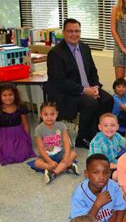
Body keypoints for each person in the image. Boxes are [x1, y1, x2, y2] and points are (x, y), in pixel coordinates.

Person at [46, 18, 114, 149]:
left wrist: (96, 87)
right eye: (70, 31)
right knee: (90, 102)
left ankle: (96, 133)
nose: (74, 34)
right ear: (64, 33)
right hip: (67, 93)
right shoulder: (55, 53)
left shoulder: (84, 47)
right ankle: (82, 138)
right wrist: (84, 90)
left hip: (87, 88)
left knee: (108, 99)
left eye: (77, 31)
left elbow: (93, 70)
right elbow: (60, 82)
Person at [0, 83, 36, 165]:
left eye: (10, 95)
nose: (8, 98)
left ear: (15, 95)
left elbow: (25, 124)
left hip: (19, 134)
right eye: (4, 95)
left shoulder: (20, 106)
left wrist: (27, 138)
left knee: (23, 152)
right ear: (0, 96)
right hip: (5, 136)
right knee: (8, 154)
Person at [33, 101, 79, 184]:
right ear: (41, 115)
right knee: (37, 163)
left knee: (73, 153)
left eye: (52, 114)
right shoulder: (38, 129)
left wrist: (66, 155)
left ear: (56, 114)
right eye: (46, 114)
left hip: (60, 153)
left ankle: (53, 173)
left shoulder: (61, 126)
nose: (49, 117)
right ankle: (66, 166)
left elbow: (66, 142)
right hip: (46, 156)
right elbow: (41, 149)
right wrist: (49, 161)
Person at [88, 113, 126, 180]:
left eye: (112, 125)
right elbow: (100, 164)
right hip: (99, 167)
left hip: (112, 161)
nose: (109, 128)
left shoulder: (116, 135)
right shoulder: (97, 142)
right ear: (100, 127)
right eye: (105, 125)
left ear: (117, 127)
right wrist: (119, 166)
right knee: (119, 175)